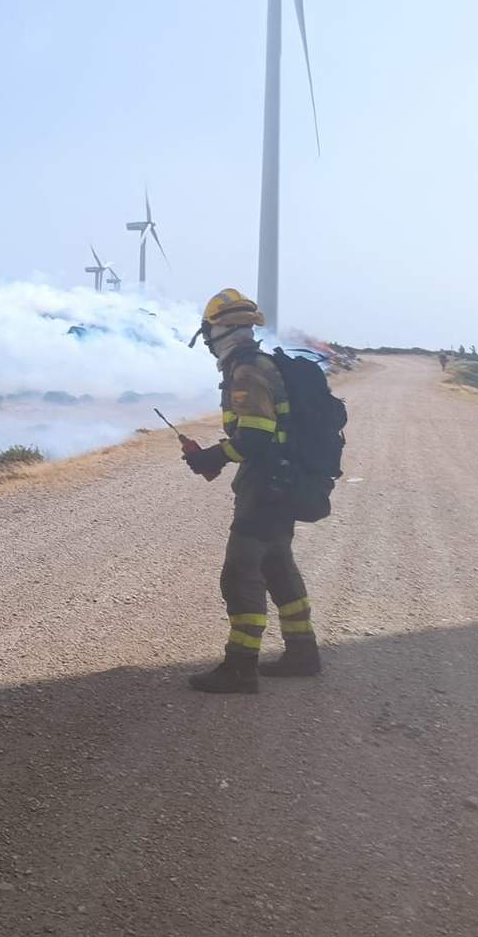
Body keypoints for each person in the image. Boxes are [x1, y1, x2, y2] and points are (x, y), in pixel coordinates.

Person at [180, 288, 320, 693]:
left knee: (240, 575)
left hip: (265, 487)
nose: (206, 341)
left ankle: (240, 668)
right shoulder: (261, 364)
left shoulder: (246, 371)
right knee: (277, 565)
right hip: (283, 482)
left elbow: (256, 437)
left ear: (220, 330)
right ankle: (302, 651)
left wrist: (212, 457)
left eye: (208, 333)